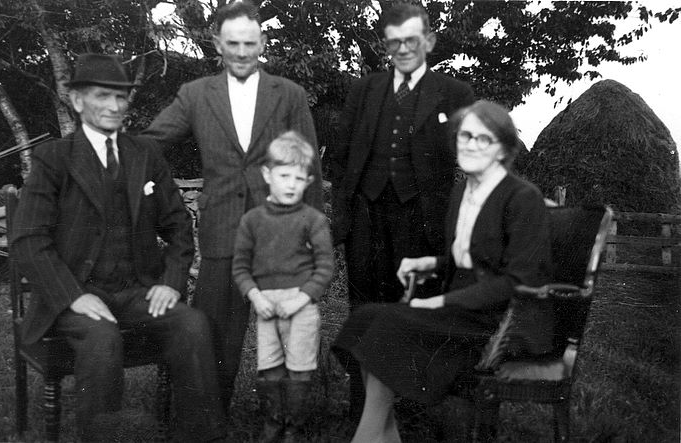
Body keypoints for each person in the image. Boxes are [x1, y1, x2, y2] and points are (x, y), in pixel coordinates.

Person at [11, 53, 225, 442]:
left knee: (193, 324)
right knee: (101, 336)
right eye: (102, 96)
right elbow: (28, 239)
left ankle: (202, 435)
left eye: (121, 98)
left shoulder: (145, 154)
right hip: (76, 294)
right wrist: (72, 297)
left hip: (134, 290)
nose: (113, 107)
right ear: (76, 101)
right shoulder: (54, 158)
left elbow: (179, 226)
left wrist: (172, 283)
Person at [332, 100, 555, 442]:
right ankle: (384, 435)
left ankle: (367, 437)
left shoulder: (522, 197)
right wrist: (432, 264)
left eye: (484, 139)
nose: (469, 144)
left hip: (505, 320)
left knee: (390, 324)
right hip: (464, 310)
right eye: (464, 135)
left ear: (504, 150)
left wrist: (439, 302)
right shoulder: (462, 192)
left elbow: (519, 279)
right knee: (367, 318)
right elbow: (472, 259)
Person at [142, 0, 322, 410]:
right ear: (217, 43)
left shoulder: (289, 95)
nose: (242, 52)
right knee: (212, 334)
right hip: (223, 230)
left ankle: (282, 421)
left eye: (250, 43)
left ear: (262, 42)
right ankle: (209, 421)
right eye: (233, 43)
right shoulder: (195, 94)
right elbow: (151, 143)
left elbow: (309, 161)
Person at [327, 1, 475, 417]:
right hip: (366, 219)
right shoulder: (365, 90)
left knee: (413, 312)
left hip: (421, 221)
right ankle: (364, 412)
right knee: (365, 312)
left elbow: (477, 151)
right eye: (394, 42)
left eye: (412, 40)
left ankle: (410, 411)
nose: (403, 49)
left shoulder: (453, 92)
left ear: (427, 40)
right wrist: (344, 212)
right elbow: (340, 154)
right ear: (385, 45)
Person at [232, 131, 334, 442]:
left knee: (299, 368)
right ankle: (274, 422)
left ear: (308, 181)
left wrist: (302, 298)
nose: (291, 184)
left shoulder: (312, 220)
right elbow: (240, 267)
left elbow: (325, 267)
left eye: (299, 178)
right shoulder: (252, 220)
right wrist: (254, 295)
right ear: (267, 175)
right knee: (270, 368)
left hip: (300, 305)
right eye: (284, 175)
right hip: (265, 304)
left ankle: (294, 427)